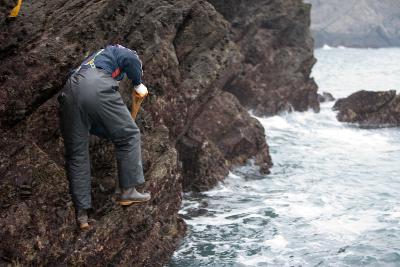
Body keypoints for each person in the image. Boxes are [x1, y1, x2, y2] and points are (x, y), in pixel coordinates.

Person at [58, 44, 151, 230]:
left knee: (77, 156)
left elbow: (91, 118)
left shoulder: (90, 61)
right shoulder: (118, 50)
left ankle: (82, 214)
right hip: (96, 85)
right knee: (129, 135)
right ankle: (128, 191)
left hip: (68, 92)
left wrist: (110, 132)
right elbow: (131, 59)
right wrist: (138, 82)